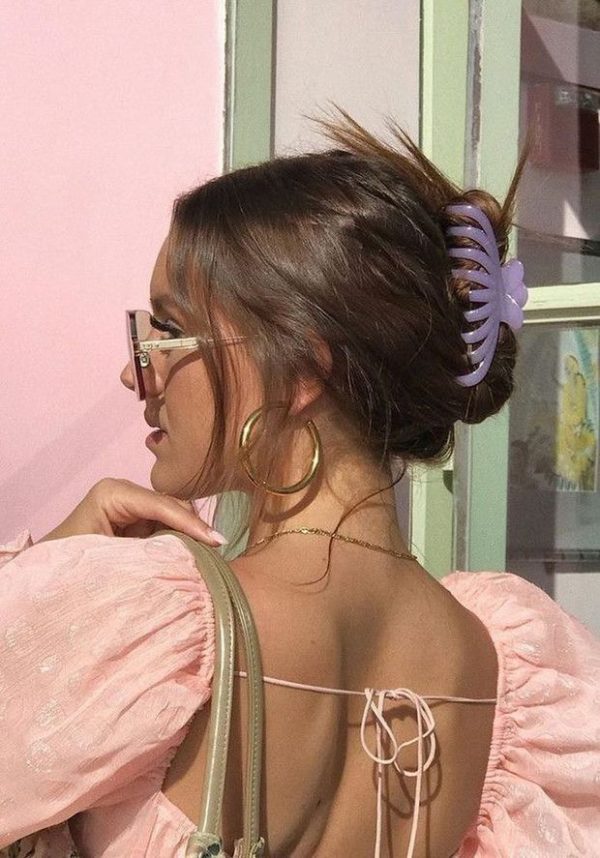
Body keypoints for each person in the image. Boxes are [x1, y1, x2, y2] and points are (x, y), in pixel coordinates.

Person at [1, 109, 599, 858]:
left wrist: (48, 569)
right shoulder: (504, 668)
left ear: (301, 373)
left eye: (169, 329)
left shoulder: (147, 624)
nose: (137, 371)